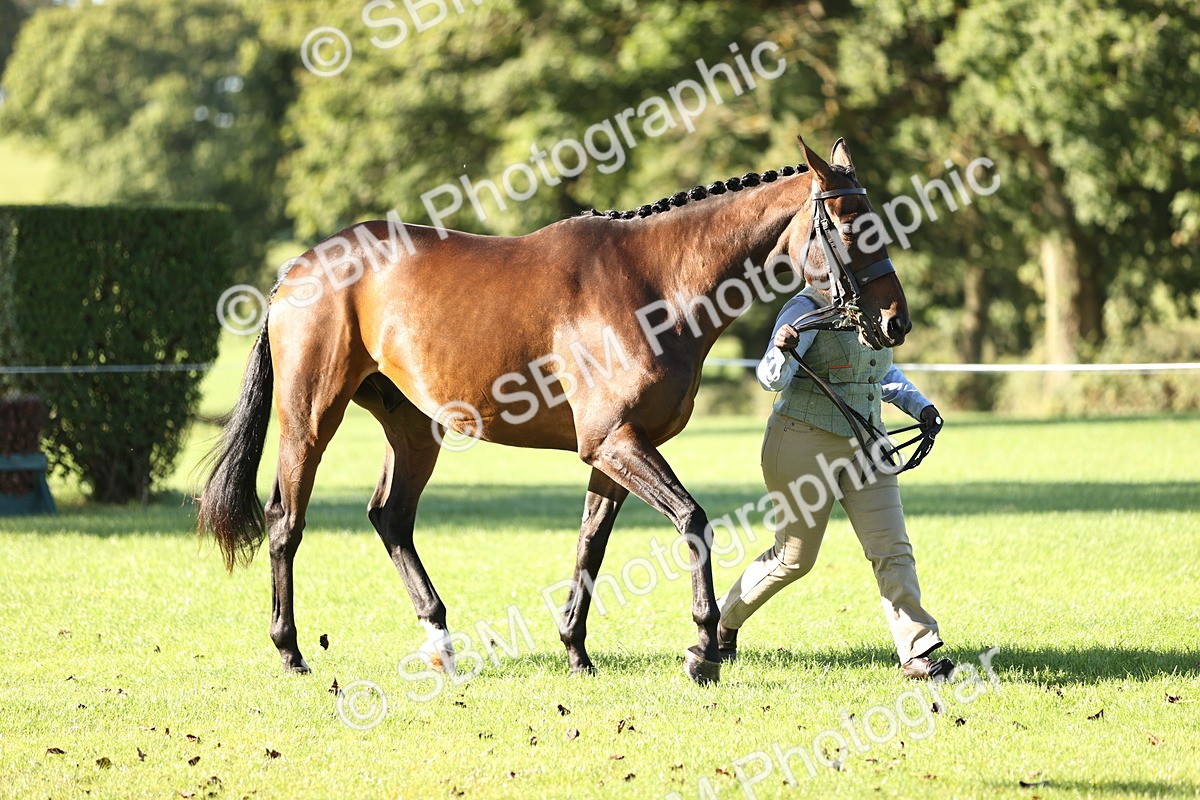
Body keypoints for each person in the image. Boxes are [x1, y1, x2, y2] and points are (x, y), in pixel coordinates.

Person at [715, 283, 953, 680]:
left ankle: (917, 650)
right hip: (802, 440)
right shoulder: (806, 307)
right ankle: (720, 621)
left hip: (867, 441)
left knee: (892, 548)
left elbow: (879, 373)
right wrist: (780, 349)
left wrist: (920, 405)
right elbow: (771, 379)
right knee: (793, 559)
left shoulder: (874, 306)